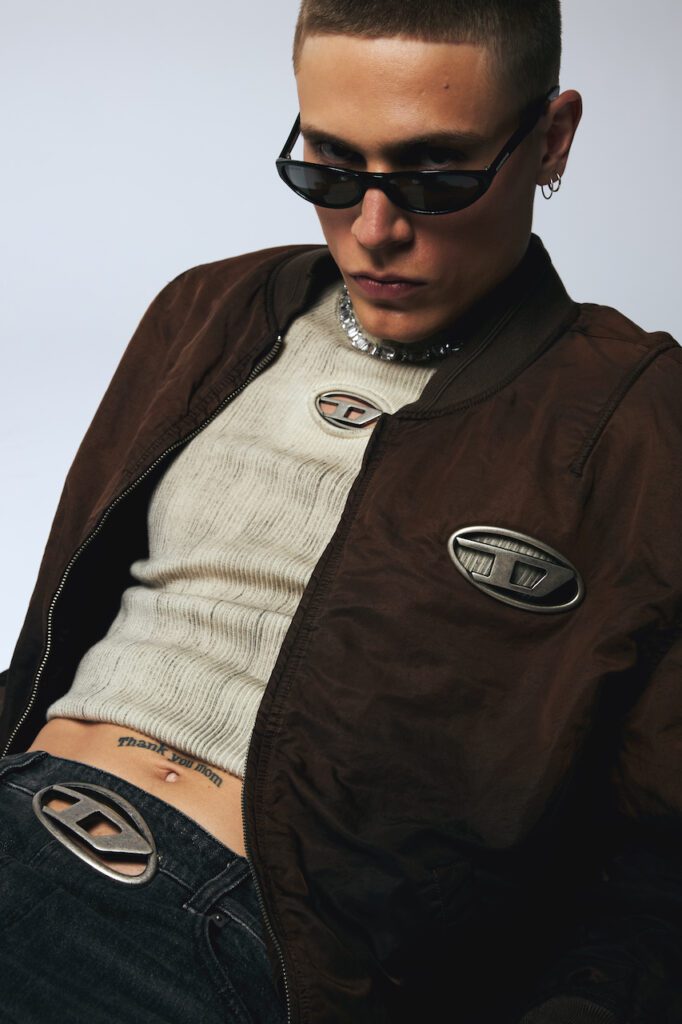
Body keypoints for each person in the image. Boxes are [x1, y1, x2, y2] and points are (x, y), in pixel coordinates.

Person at [1, 0, 681, 1022]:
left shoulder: (636, 419)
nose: (374, 230)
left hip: (234, 939)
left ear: (550, 139)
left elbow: (655, 864)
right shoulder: (209, 309)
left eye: (434, 175)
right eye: (328, 167)